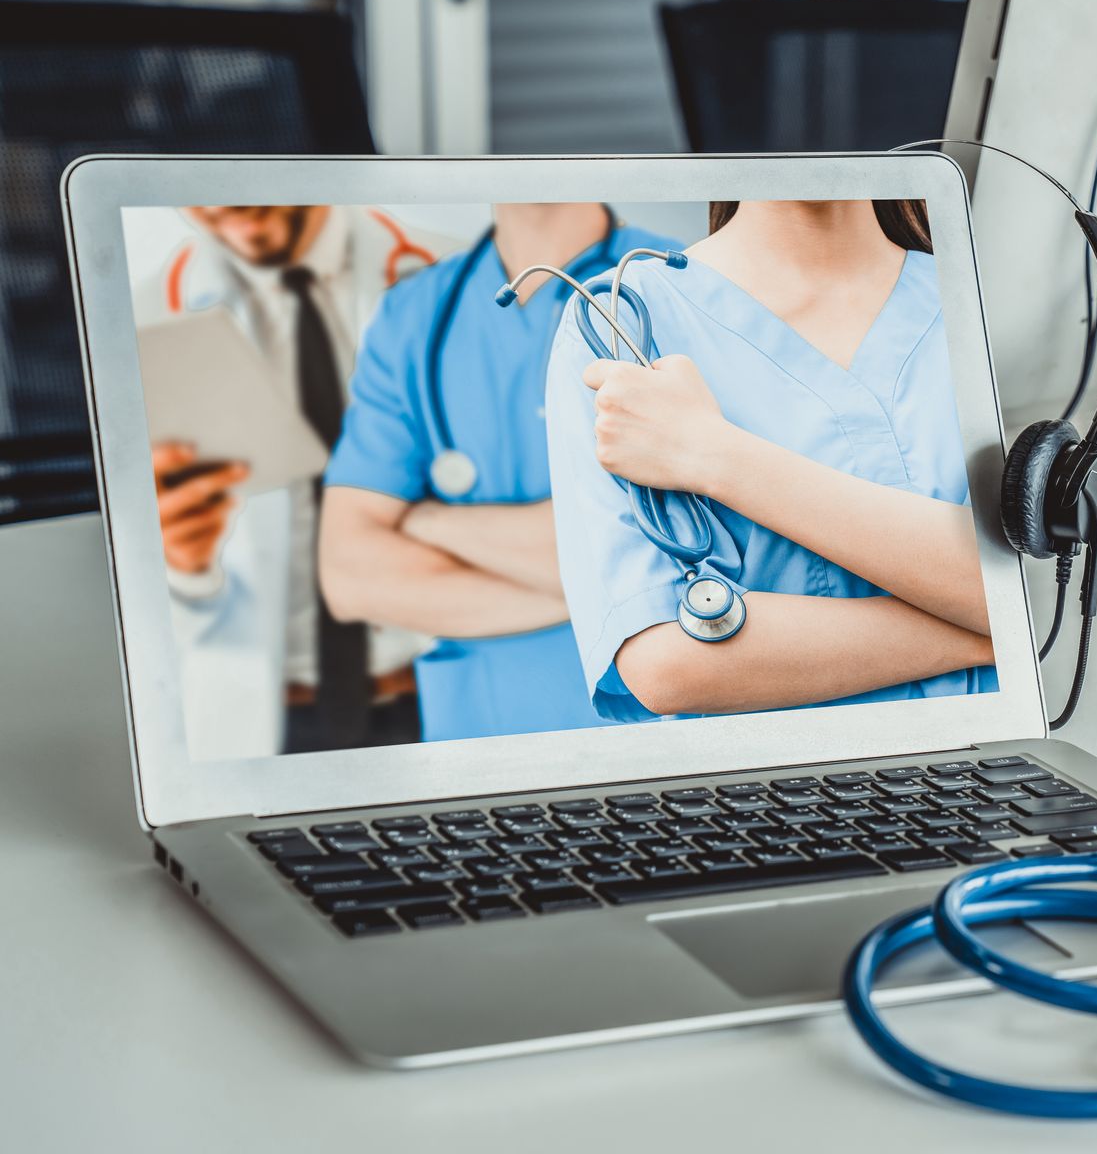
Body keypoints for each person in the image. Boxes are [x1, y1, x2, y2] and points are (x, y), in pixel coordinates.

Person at [545, 198, 996, 722]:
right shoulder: (619, 320)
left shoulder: (987, 298)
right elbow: (669, 664)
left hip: (1002, 779)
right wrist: (995, 629)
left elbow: (1061, 583)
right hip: (776, 793)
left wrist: (712, 452)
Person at [317, 204, 681, 741]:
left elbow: (714, 546)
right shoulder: (415, 313)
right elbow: (350, 576)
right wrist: (617, 596)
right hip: (480, 738)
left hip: (662, 735)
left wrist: (425, 520)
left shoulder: (678, 281)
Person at [132, 205, 456, 758]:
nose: (224, 210)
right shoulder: (137, 315)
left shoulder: (462, 278)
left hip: (447, 696)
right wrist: (180, 566)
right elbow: (122, 600)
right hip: (267, 723)